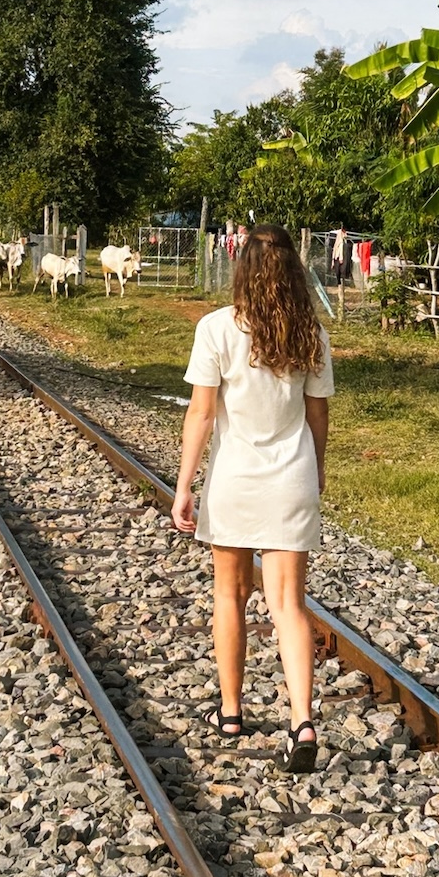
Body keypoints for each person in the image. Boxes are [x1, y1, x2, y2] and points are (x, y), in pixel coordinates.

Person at [172, 224, 334, 773]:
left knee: (230, 596)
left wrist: (183, 486)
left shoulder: (216, 328)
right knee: (289, 604)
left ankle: (232, 711)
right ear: (293, 270)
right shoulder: (309, 332)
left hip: (234, 481)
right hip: (292, 478)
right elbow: (318, 415)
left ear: (240, 268)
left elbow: (200, 413)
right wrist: (318, 474)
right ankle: (303, 721)